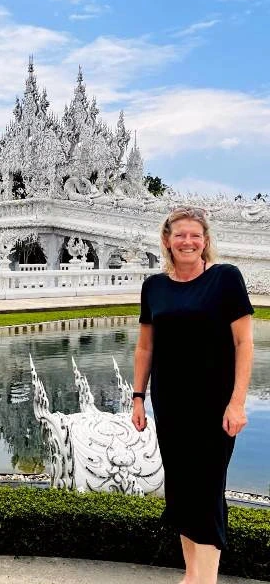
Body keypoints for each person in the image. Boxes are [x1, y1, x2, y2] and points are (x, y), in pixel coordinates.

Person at [132, 206, 254, 584]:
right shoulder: (154, 286)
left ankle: (206, 580)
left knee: (207, 491)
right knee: (182, 491)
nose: (188, 241)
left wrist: (237, 402)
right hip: (170, 404)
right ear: (167, 240)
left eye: (195, 235)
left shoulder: (225, 278)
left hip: (215, 405)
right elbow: (145, 347)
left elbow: (244, 343)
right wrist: (138, 397)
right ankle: (191, 575)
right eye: (180, 234)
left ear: (205, 241)